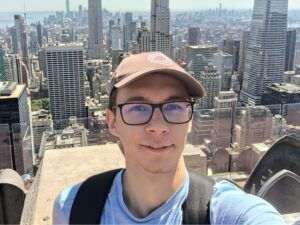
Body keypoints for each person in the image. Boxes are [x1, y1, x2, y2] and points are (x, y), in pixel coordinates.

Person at [53, 52, 286, 225]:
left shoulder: (222, 212)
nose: (158, 126)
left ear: (190, 119)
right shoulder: (73, 209)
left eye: (174, 107)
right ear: (112, 121)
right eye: (138, 107)